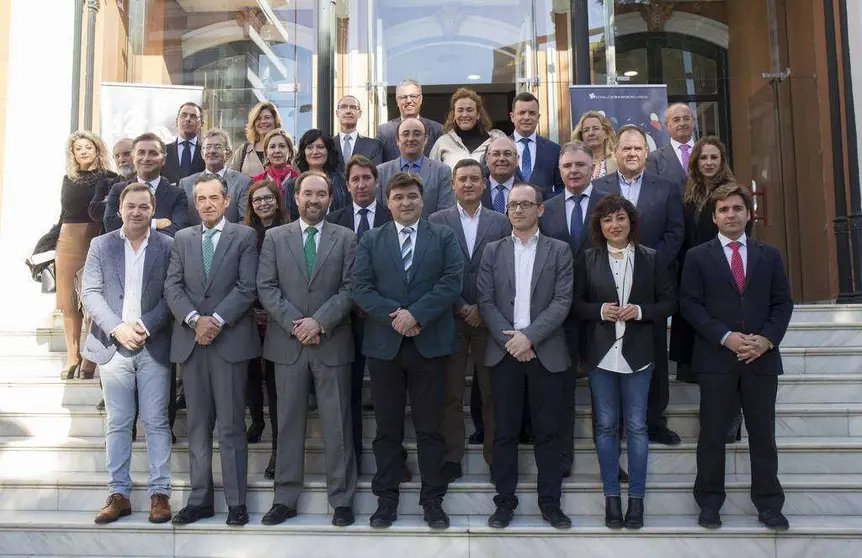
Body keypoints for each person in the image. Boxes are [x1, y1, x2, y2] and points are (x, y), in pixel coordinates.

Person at [352, 172, 464, 530]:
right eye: (398, 197)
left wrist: (417, 314)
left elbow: (452, 281)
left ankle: (432, 500)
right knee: (387, 429)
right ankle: (386, 500)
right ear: (388, 202)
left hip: (429, 345)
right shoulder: (371, 239)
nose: (405, 202)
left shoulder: (443, 236)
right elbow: (360, 287)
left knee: (430, 428)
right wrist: (396, 317)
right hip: (386, 347)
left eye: (411, 196)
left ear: (423, 199)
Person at [680, 183, 793, 532]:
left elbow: (782, 303)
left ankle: (769, 505)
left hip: (761, 359)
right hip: (717, 359)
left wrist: (766, 340)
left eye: (737, 209)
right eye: (724, 210)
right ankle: (710, 503)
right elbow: (690, 304)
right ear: (714, 218)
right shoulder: (698, 256)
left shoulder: (769, 255)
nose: (731, 215)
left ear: (748, 213)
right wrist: (726, 338)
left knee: (763, 435)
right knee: (713, 434)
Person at [257, 171, 358, 527]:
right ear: (295, 197)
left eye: (321, 194)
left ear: (331, 199)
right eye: (307, 194)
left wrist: (320, 322)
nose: (314, 200)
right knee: (287, 424)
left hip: (332, 342)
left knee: (338, 424)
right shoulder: (274, 237)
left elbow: (350, 287)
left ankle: (342, 499)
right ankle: (285, 498)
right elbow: (266, 287)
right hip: (287, 344)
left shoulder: (346, 238)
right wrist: (297, 323)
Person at [573, 194, 675, 530]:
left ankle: (637, 502)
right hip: (601, 354)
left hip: (639, 353)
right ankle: (611, 499)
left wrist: (642, 312)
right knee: (604, 426)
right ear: (599, 227)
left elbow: (668, 302)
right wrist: (601, 310)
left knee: (637, 426)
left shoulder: (652, 258)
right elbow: (576, 304)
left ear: (630, 222)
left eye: (620, 218)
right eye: (607, 220)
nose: (614, 225)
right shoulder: (587, 259)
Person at [164, 174, 261, 527]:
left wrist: (215, 320)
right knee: (199, 426)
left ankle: (237, 503)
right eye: (200, 198)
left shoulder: (245, 236)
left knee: (233, 425)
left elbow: (247, 286)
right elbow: (172, 286)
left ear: (226, 201)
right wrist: (194, 320)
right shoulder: (183, 238)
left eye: (212, 198)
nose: (206, 204)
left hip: (229, 342)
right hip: (192, 343)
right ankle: (200, 499)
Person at [477, 183, 573, 530]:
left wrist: (529, 338)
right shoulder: (492, 251)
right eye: (513, 205)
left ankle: (550, 503)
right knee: (504, 432)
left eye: (525, 204)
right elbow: (485, 301)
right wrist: (512, 342)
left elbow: (562, 301)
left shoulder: (560, 251)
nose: (518, 210)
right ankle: (504, 502)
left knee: (549, 432)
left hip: (545, 352)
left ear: (540, 209)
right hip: (504, 354)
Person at [81, 183, 174, 525]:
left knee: (156, 421)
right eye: (130, 206)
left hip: (154, 344)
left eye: (143, 207)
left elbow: (172, 293)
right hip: (113, 346)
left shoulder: (168, 246)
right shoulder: (101, 245)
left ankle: (159, 494)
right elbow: (89, 292)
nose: (137, 212)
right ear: (119, 209)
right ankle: (118, 493)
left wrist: (145, 326)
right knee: (119, 422)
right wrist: (118, 327)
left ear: (153, 210)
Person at [592, 124, 684, 446]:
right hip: (607, 284)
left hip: (649, 286)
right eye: (626, 148)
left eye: (638, 149)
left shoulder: (667, 187)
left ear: (647, 153)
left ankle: (655, 421)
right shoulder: (599, 187)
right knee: (609, 356)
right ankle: (614, 427)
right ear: (615, 153)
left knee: (654, 353)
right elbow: (593, 233)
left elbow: (675, 233)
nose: (632, 153)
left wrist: (649, 266)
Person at [429, 159, 510, 474]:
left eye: (475, 179)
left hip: (489, 322)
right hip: (449, 319)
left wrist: (481, 309)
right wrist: (460, 305)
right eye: (462, 179)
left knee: (491, 394)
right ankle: (452, 457)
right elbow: (433, 270)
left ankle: (494, 457)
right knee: (449, 394)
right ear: (452, 184)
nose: (468, 184)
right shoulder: (436, 220)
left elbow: (506, 273)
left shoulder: (501, 222)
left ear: (485, 184)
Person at [669, 137, 745, 442]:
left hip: (724, 276)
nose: (709, 163)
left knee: (726, 354)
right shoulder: (688, 194)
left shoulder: (732, 194)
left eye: (714, 157)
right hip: (693, 273)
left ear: (722, 160)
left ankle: (729, 421)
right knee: (701, 351)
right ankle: (713, 416)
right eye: (704, 158)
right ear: (695, 162)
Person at [539, 142, 608, 478]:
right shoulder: (546, 209)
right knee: (562, 393)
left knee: (605, 393)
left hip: (600, 312)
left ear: (593, 167)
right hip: (560, 316)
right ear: (560, 170)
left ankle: (608, 460)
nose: (574, 171)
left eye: (580, 165)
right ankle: (562, 458)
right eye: (567, 166)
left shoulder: (609, 206)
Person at [326, 155, 393, 473]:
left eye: (367, 178)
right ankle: (351, 459)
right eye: (356, 179)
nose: (362, 184)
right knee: (347, 394)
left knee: (386, 396)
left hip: (382, 320)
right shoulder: (335, 219)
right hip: (344, 321)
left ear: (376, 182)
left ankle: (392, 459)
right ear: (347, 184)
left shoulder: (392, 215)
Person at [57, 131, 118, 380]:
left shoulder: (111, 178)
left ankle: (91, 358)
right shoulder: (68, 178)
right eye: (78, 148)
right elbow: (63, 213)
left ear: (97, 150)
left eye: (87, 147)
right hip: (67, 239)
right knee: (68, 302)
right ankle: (73, 357)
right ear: (73, 154)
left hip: (96, 238)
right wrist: (48, 241)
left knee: (93, 301)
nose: (82, 151)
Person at [244, 179, 289, 479]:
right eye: (257, 200)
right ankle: (256, 421)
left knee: (275, 385)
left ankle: (278, 449)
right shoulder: (244, 235)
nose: (262, 204)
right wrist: (251, 309)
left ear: (277, 200)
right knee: (250, 376)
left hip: (279, 319)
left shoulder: (290, 230)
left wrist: (274, 311)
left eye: (267, 198)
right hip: (249, 317)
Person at [103, 132, 189, 238]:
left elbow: (177, 230)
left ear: (163, 160)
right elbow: (111, 225)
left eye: (153, 153)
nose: (146, 158)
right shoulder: (118, 190)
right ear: (133, 158)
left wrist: (131, 226)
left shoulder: (177, 194)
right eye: (141, 153)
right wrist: (155, 223)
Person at [375, 118, 455, 216]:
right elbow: (378, 213)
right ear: (397, 140)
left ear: (425, 139)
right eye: (405, 134)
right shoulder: (381, 172)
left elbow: (445, 213)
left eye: (417, 134)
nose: (411, 138)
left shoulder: (442, 171)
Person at [180, 129, 252, 226]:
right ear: (202, 153)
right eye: (208, 147)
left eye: (218, 147)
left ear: (229, 154)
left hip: (230, 240)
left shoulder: (243, 183)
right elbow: (182, 222)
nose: (212, 151)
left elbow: (245, 221)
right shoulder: (186, 184)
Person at [429, 88, 506, 169]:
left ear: (478, 114)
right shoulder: (442, 143)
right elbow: (432, 175)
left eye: (470, 110)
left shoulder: (495, 141)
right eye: (460, 110)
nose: (465, 114)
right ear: (454, 114)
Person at [282, 129, 350, 221]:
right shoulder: (291, 185)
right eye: (310, 147)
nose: (315, 152)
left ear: (328, 151)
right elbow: (290, 219)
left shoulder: (342, 180)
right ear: (303, 152)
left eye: (320, 147)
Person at [376, 79, 444, 162]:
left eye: (413, 96)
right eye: (404, 97)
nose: (408, 101)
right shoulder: (384, 132)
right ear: (397, 101)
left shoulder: (437, 130)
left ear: (421, 99)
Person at [510, 92, 563, 196]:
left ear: (538, 117)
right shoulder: (498, 149)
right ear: (512, 117)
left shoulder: (554, 150)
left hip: (546, 210)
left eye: (532, 113)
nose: (527, 117)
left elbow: (561, 188)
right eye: (522, 112)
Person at [646, 103, 695, 193]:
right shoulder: (655, 159)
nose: (682, 123)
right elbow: (652, 193)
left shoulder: (707, 152)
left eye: (686, 118)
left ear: (693, 121)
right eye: (676, 120)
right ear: (667, 125)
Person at [88, 138, 134, 232]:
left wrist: (111, 202)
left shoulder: (149, 182)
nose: (121, 159)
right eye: (117, 156)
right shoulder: (106, 184)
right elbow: (95, 212)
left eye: (127, 154)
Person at [230, 101, 283, 178]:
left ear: (275, 120)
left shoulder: (288, 148)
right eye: (258, 119)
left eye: (267, 117)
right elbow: (232, 180)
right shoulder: (243, 151)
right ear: (254, 123)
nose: (263, 122)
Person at [334, 95, 383, 172]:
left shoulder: (374, 146)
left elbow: (376, 175)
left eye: (353, 107)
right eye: (343, 107)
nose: (348, 111)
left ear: (359, 113)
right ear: (337, 113)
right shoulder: (328, 145)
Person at [162, 102, 205, 185]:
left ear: (201, 124)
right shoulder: (163, 151)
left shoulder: (206, 153)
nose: (187, 119)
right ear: (176, 121)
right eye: (184, 115)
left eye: (193, 116)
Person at [252, 128, 299, 197]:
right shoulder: (256, 182)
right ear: (266, 153)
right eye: (272, 147)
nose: (277, 151)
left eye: (282, 146)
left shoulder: (299, 181)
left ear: (290, 152)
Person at [572, 111, 618, 178]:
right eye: (586, 130)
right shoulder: (574, 162)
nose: (591, 133)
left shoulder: (617, 161)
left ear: (606, 133)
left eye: (595, 128)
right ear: (581, 136)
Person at [482, 137, 522, 213]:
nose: (501, 159)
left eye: (507, 154)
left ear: (517, 160)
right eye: (496, 154)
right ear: (487, 159)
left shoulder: (530, 193)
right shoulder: (476, 191)